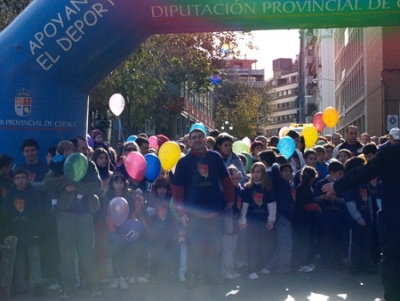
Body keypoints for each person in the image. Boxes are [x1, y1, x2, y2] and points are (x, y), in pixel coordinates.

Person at [322, 140, 400, 301]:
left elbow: (366, 171)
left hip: (394, 217)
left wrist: (338, 186)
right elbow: (365, 171)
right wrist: (338, 185)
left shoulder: (391, 152)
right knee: (392, 262)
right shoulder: (391, 152)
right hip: (393, 217)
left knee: (392, 262)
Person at [171, 123, 234, 288]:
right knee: (193, 248)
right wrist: (181, 211)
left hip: (215, 211)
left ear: (205, 139)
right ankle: (192, 276)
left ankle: (212, 276)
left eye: (200, 137)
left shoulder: (215, 157)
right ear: (189, 141)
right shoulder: (183, 162)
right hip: (193, 214)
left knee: (215, 247)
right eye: (194, 138)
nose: (197, 140)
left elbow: (226, 180)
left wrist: (229, 198)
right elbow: (177, 189)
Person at [45, 136, 102, 299]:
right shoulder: (59, 164)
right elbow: (48, 182)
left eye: (85, 148)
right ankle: (68, 287)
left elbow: (97, 185)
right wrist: (66, 180)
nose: (84, 151)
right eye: (81, 148)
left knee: (87, 251)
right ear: (71, 149)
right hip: (65, 213)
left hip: (85, 213)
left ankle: (93, 285)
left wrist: (77, 187)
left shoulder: (89, 165)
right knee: (66, 252)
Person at [4, 168, 44, 297]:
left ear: (27, 179)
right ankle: (20, 285)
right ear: (14, 180)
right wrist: (9, 232)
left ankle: (36, 284)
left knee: (34, 258)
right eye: (18, 178)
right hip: (16, 233)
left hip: (32, 232)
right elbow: (6, 214)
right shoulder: (10, 195)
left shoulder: (34, 193)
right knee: (18, 260)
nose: (20, 180)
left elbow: (40, 213)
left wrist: (38, 231)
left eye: (23, 178)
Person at [239, 162, 277, 280]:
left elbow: (272, 205)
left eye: (258, 172)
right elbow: (245, 205)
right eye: (253, 172)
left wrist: (271, 220)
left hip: (263, 220)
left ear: (263, 174)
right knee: (252, 246)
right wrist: (243, 220)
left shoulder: (268, 188)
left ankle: (260, 266)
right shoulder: (248, 188)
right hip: (251, 221)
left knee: (262, 245)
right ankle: (251, 269)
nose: (255, 174)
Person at [341, 157, 376, 275]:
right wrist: (358, 218)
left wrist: (370, 215)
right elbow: (350, 203)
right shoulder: (349, 184)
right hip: (355, 221)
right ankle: (354, 266)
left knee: (367, 243)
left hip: (366, 217)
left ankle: (366, 264)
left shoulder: (364, 183)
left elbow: (369, 200)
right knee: (354, 243)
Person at [104, 173, 136, 290]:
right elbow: (107, 215)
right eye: (116, 182)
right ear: (112, 184)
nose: (119, 185)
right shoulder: (108, 197)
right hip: (113, 230)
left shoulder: (128, 197)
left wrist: (132, 228)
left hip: (126, 230)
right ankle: (116, 277)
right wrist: (112, 231)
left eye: (121, 182)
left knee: (125, 254)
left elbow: (132, 213)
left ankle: (123, 277)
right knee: (115, 254)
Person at [313, 160, 345, 269]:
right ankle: (325, 259)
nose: (341, 176)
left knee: (337, 239)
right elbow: (313, 198)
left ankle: (337, 259)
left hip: (338, 216)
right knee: (325, 238)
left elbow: (346, 200)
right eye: (339, 174)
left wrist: (337, 199)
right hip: (325, 217)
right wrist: (322, 197)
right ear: (332, 173)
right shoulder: (320, 183)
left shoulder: (342, 184)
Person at [269, 162, 295, 275]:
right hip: (282, 216)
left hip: (287, 217)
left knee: (281, 243)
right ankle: (283, 268)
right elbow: (274, 169)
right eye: (285, 171)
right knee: (286, 243)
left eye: (290, 171)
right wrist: (275, 163)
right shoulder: (280, 183)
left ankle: (272, 265)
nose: (288, 173)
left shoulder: (289, 185)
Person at [293, 166, 319, 273]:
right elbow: (305, 205)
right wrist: (317, 206)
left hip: (305, 220)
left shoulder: (304, 186)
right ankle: (303, 263)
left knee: (305, 241)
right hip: (304, 220)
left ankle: (305, 262)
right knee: (304, 242)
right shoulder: (304, 187)